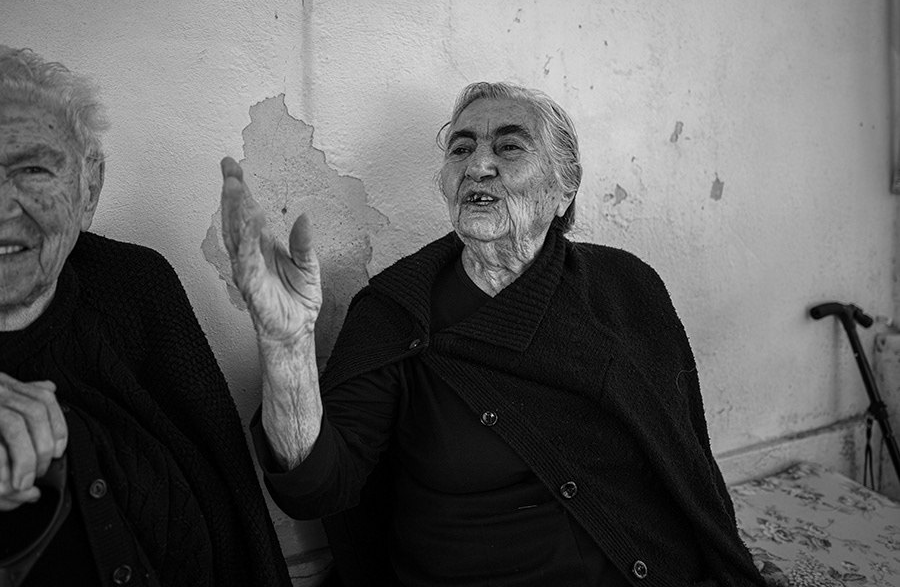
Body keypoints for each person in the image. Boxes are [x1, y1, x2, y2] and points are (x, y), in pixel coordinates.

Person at [221, 82, 766, 586]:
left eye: (509, 148)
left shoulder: (626, 288)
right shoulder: (399, 313)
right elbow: (318, 487)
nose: (478, 165)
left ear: (564, 186)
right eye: (460, 149)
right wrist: (287, 347)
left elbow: (686, 462)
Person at [0, 47, 291, 587]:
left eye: (34, 169)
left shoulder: (133, 285)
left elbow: (237, 502)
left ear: (90, 187)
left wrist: (286, 349)